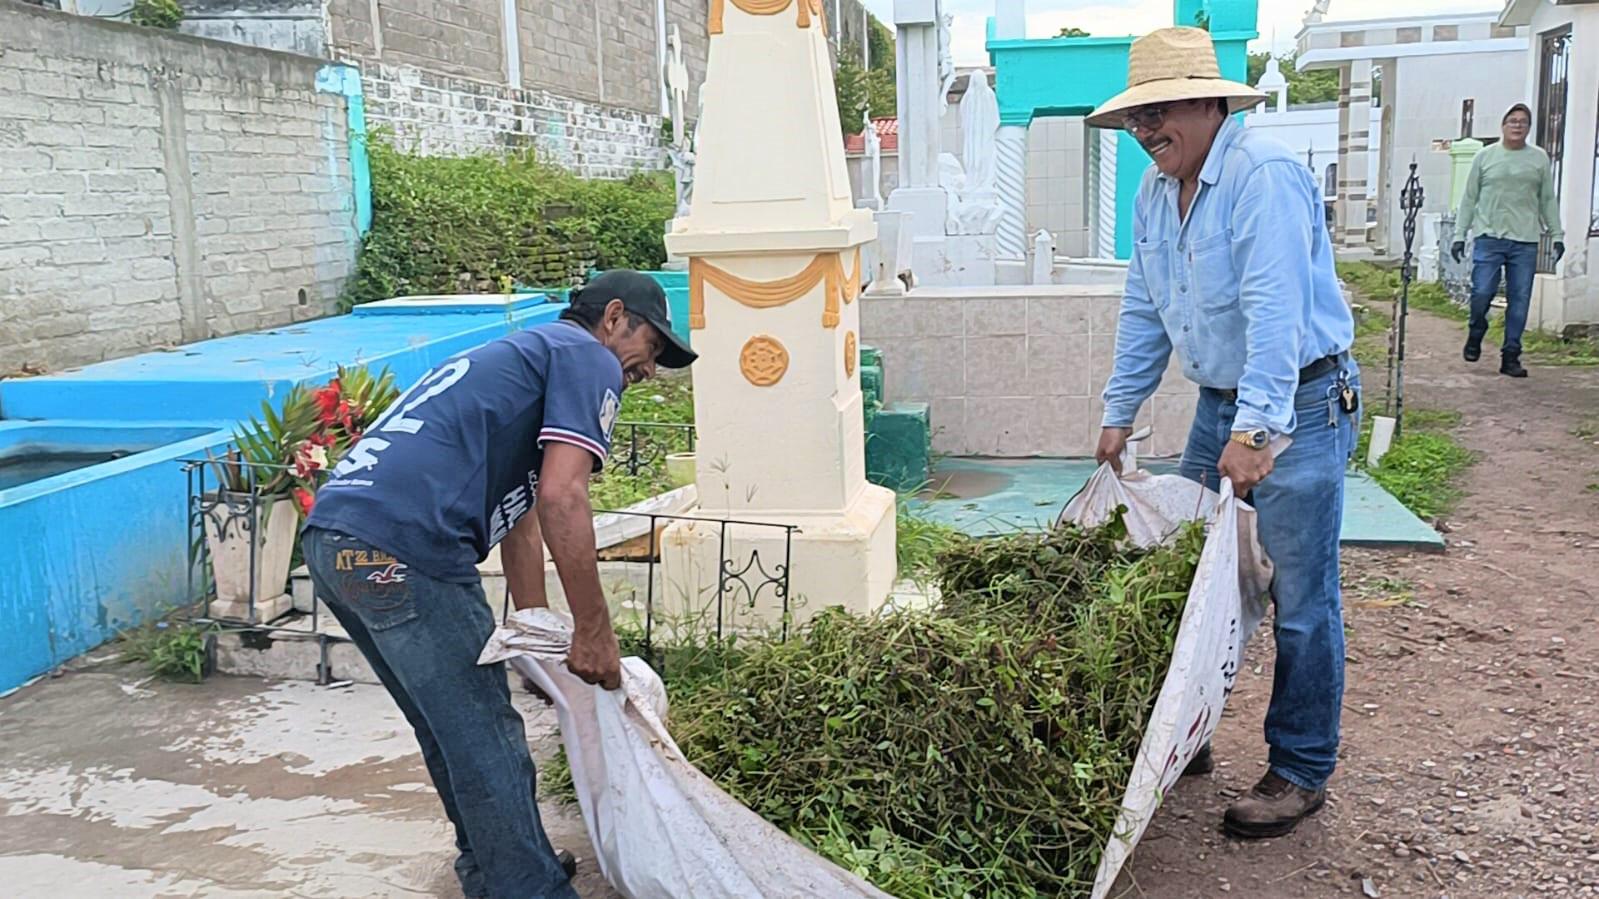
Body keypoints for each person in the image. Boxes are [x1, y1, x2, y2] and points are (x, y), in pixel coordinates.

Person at [300, 271, 696, 898]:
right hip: (404, 548)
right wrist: (595, 632)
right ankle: (528, 889)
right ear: (615, 317)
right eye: (652, 347)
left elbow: (527, 514)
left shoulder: (527, 354)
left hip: (337, 542)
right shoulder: (586, 355)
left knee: (450, 727)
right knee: (486, 731)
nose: (648, 371)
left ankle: (497, 872)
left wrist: (534, 635)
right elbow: (565, 497)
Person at [1085, 28, 1360, 839]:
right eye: (1137, 118)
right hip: (1220, 404)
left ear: (1209, 103)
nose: (1145, 131)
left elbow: (1274, 313)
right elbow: (1145, 309)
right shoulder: (1150, 194)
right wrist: (1118, 410)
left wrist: (1258, 429)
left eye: (1159, 112)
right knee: (1194, 577)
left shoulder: (1259, 178)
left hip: (1296, 403)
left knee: (1298, 595)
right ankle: (1188, 731)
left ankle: (1300, 766)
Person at [1450, 103, 1565, 378]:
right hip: (1489, 237)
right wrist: (1459, 235)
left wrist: (1557, 234)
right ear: (1503, 126)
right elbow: (1469, 198)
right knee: (1481, 293)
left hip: (1524, 240)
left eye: (1523, 122)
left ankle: (1511, 355)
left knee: (1520, 299)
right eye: (1512, 121)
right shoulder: (1485, 156)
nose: (1517, 125)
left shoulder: (1538, 158)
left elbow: (1547, 199)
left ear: (1528, 128)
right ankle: (1476, 331)